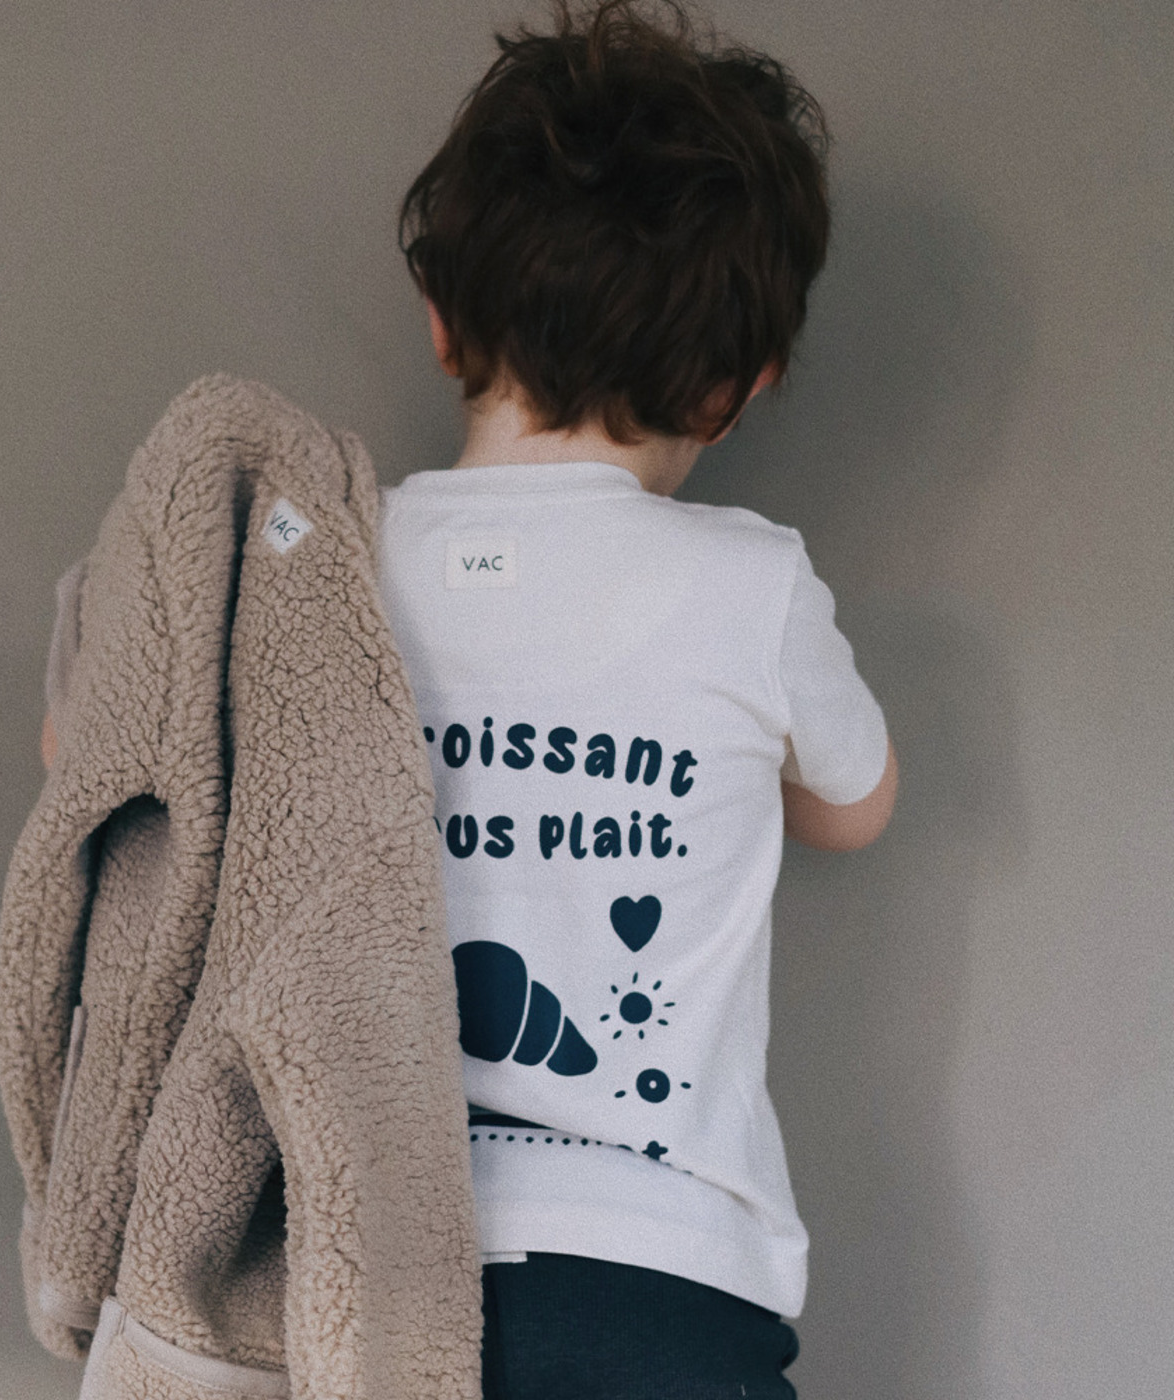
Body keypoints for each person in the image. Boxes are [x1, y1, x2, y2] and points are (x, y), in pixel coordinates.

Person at [377, 2, 898, 1396]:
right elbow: (857, 808)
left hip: (363, 1259)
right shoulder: (750, 587)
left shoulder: (327, 560)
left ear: (441, 321)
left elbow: (114, 744)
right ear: (740, 390)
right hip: (661, 1271)